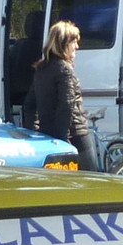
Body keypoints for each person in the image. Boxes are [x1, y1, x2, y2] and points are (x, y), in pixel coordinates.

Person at [29, 19, 98, 170]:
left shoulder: (40, 69)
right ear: (64, 44)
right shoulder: (65, 69)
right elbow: (66, 105)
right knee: (92, 181)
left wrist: (33, 132)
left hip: (47, 135)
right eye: (74, 43)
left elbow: (29, 104)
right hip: (76, 136)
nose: (77, 47)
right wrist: (63, 140)